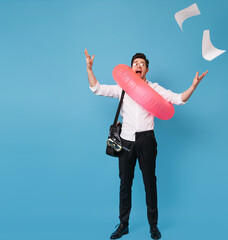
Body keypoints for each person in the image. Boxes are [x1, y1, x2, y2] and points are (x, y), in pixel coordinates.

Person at [84, 48, 208, 239]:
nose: (138, 66)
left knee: (150, 182)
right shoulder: (122, 87)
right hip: (125, 140)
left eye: (142, 64)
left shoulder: (154, 88)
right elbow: (98, 89)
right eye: (135, 63)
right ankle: (123, 224)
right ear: (130, 68)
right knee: (125, 183)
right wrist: (90, 69)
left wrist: (193, 86)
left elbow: (178, 99)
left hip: (147, 140)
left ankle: (153, 226)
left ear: (147, 70)